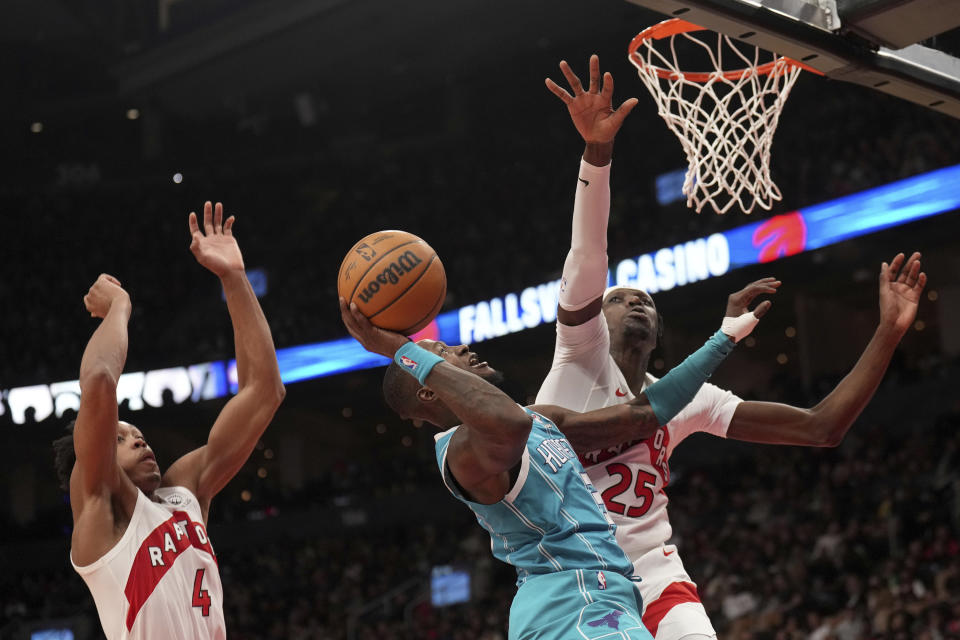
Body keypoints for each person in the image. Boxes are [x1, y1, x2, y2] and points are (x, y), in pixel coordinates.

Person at [539, 55, 928, 640]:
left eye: (648, 301)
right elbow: (589, 253)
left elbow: (821, 427)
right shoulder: (576, 352)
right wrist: (597, 152)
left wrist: (888, 332)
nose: (637, 303)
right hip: (578, 580)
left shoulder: (690, 398)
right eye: (622, 298)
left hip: (656, 575)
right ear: (596, 313)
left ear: (662, 334)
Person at [340, 290, 764, 640]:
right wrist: (403, 351)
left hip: (608, 600)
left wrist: (722, 338)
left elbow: (642, 417)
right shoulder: (460, 451)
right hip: (571, 603)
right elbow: (505, 424)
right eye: (443, 353)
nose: (461, 348)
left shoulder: (540, 418)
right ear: (429, 391)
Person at [52, 202, 285, 640]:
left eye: (139, 435)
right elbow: (100, 379)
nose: (140, 441)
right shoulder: (99, 508)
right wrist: (119, 306)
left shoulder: (184, 495)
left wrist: (234, 279)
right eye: (122, 438)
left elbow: (264, 391)